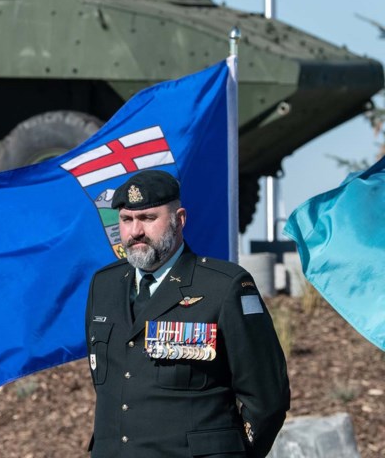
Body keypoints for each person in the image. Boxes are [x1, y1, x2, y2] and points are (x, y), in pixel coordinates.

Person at [85, 170, 290, 457]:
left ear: (179, 219)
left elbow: (268, 397)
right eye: (126, 220)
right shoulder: (103, 285)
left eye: (148, 218)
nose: (135, 232)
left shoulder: (224, 286)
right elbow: (111, 381)